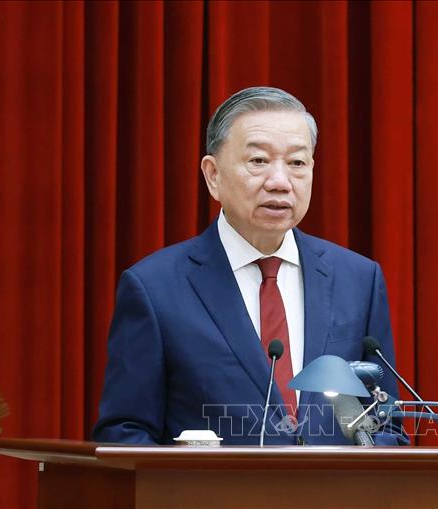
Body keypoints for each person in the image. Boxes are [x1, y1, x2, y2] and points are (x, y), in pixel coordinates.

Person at [93, 87, 406, 445]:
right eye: (258, 161)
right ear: (213, 175)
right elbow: (125, 433)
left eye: (297, 163)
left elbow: (387, 426)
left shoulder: (359, 280)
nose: (279, 182)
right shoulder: (155, 288)